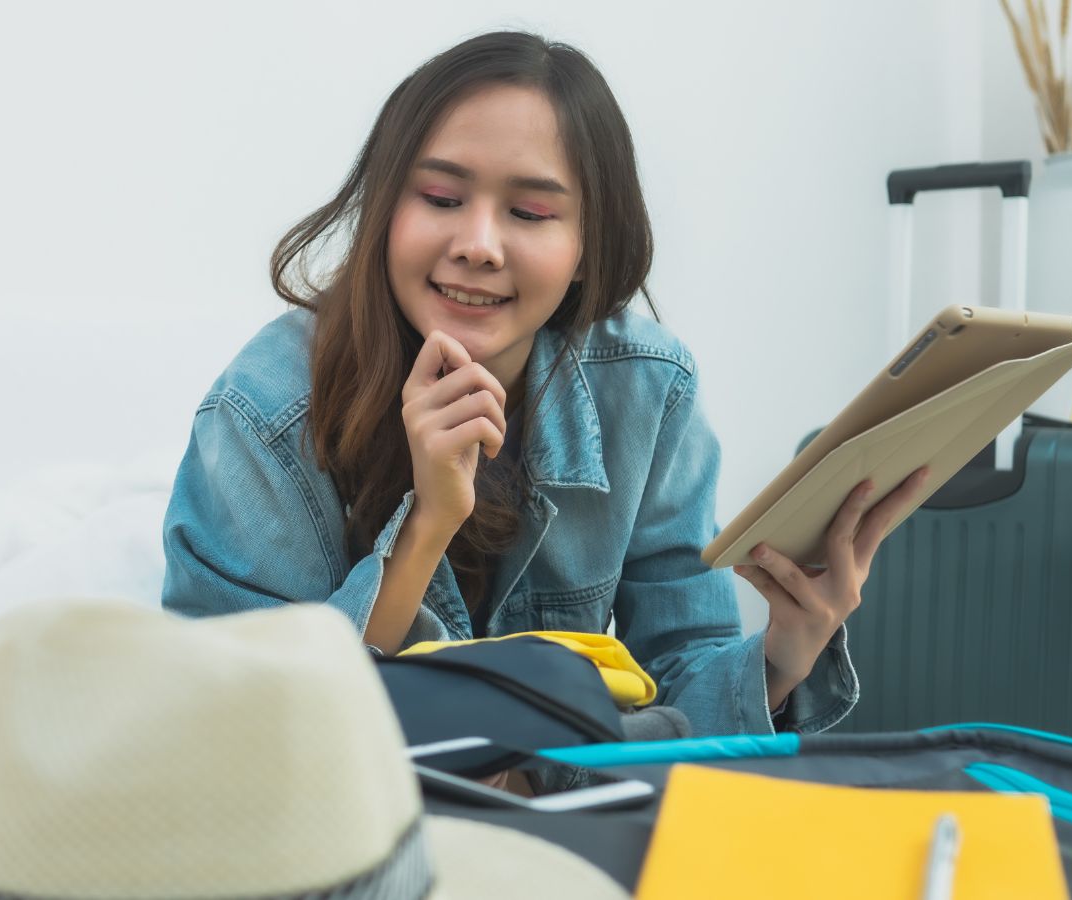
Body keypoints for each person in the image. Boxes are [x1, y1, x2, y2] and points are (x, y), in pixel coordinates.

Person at [160, 30, 927, 742]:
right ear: (384, 208)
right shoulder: (264, 412)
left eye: (529, 212)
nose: (479, 246)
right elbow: (241, 733)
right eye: (440, 198)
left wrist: (784, 658)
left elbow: (681, 677)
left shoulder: (648, 392)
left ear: (589, 248)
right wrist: (428, 524)